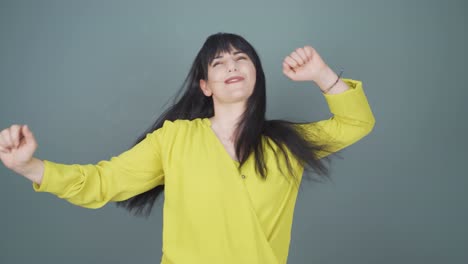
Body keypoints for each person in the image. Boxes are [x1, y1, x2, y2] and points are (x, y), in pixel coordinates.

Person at [0, 32, 375, 264]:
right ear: (206, 85)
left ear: (255, 75)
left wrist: (322, 74)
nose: (232, 64)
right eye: (220, 61)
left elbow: (357, 124)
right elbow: (102, 181)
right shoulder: (174, 138)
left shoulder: (284, 145)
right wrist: (30, 166)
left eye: (242, 58)